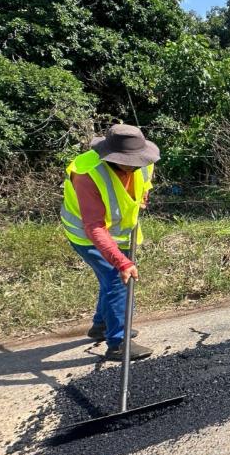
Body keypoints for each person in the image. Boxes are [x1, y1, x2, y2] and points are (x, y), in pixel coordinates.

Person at [61, 124, 160, 360]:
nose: (139, 165)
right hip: (87, 236)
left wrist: (142, 196)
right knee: (118, 279)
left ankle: (101, 326)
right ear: (113, 157)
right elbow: (94, 226)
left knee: (109, 279)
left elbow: (143, 185)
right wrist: (122, 262)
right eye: (131, 161)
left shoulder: (143, 163)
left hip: (120, 233)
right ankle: (117, 343)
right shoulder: (88, 174)